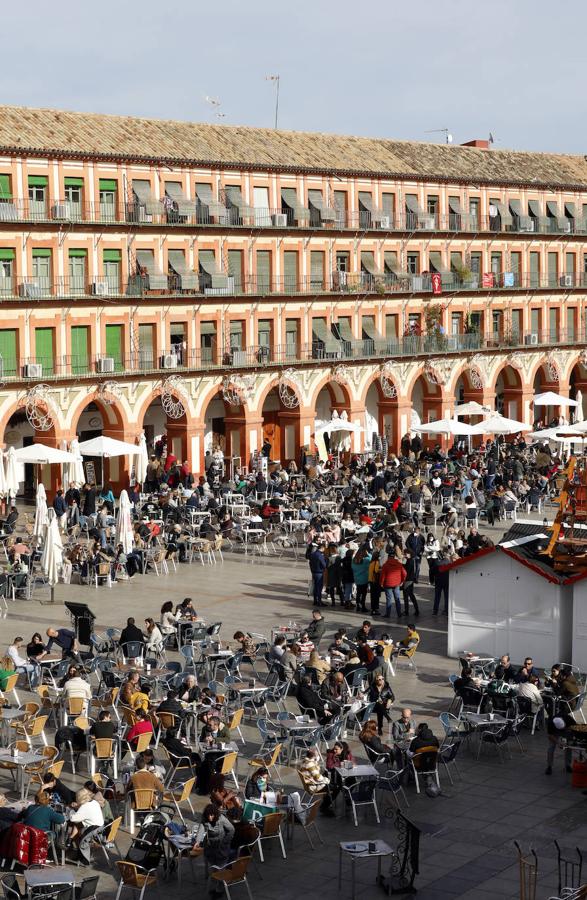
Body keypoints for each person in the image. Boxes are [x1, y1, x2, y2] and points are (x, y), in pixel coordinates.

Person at [379, 554, 407, 618]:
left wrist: (381, 583)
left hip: (388, 584)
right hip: (397, 584)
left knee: (389, 599)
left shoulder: (385, 565)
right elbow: (404, 573)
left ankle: (388, 614)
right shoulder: (399, 564)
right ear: (394, 557)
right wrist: (402, 581)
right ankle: (399, 614)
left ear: (388, 558)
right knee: (397, 599)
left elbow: (382, 576)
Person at [351, 545, 372, 613]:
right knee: (363, 594)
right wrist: (367, 553)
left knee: (358, 592)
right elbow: (370, 558)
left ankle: (358, 605)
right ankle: (363, 606)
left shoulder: (353, 560)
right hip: (364, 579)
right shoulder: (366, 560)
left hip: (357, 579)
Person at [307, 543, 327, 607]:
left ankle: (315, 600)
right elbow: (324, 565)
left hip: (314, 572)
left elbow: (310, 563)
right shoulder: (320, 556)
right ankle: (319, 601)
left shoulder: (312, 554)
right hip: (319, 573)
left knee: (315, 587)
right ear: (322, 548)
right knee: (319, 588)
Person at [402, 550, 420, 617]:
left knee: (406, 596)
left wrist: (401, 563)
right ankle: (416, 610)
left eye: (406, 554)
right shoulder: (411, 560)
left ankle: (406, 611)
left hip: (408, 580)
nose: (405, 555)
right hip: (411, 580)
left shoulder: (410, 561)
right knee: (411, 595)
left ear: (409, 554)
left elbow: (406, 571)